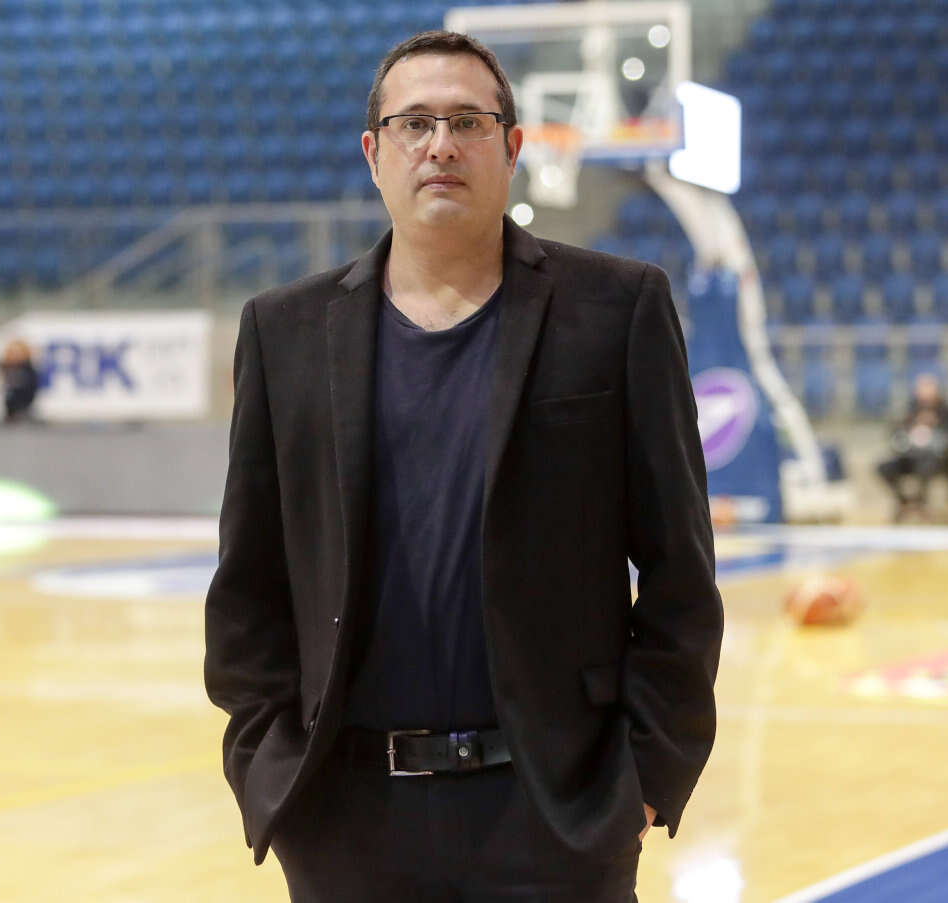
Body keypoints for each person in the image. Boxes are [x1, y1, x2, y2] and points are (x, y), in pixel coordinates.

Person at [204, 31, 723, 903]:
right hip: (346, 825)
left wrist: (641, 782)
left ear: (512, 148)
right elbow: (248, 585)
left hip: (555, 819)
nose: (440, 144)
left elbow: (682, 574)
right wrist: (269, 771)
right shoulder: (282, 331)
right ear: (374, 154)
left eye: (467, 122)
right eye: (414, 123)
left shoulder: (617, 308)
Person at [877, 372, 948, 521]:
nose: (925, 393)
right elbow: (895, 434)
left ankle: (920, 503)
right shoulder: (909, 411)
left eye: (928, 388)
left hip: (936, 459)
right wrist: (912, 427)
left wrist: (936, 427)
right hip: (909, 457)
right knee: (884, 468)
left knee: (926, 468)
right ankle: (904, 502)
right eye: (921, 389)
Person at [0, 338, 39, 422]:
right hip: (4, 415)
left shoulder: (30, 372)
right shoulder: (1, 370)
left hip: (25, 414)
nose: (16, 356)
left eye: (19, 352)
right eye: (13, 352)